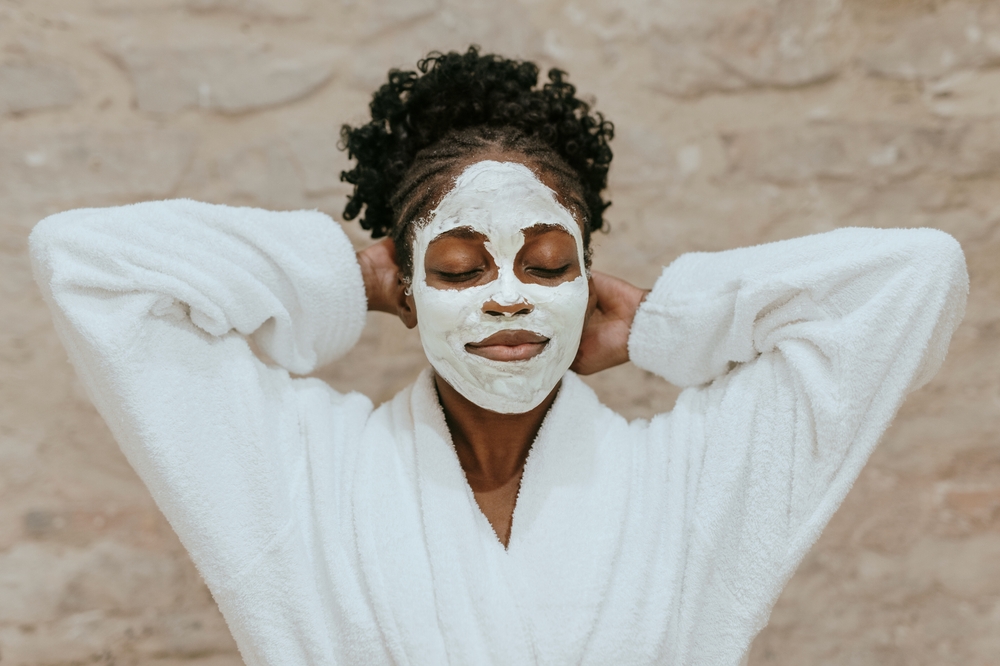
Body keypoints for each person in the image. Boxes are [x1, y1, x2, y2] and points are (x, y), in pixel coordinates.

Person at [29, 47, 968, 665]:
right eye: (459, 267)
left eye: (548, 263)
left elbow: (915, 277)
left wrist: (662, 324)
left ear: (586, 280)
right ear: (411, 288)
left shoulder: (692, 482)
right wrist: (354, 277)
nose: (510, 294)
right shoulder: (298, 476)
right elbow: (86, 264)